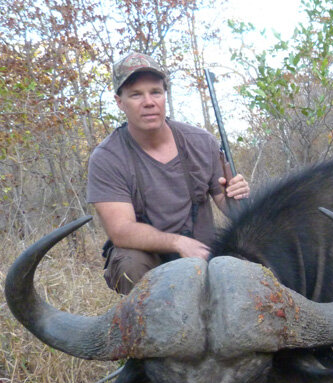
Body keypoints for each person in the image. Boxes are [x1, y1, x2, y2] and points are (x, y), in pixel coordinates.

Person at [87, 52, 250, 295]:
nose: (149, 102)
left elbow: (230, 207)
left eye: (155, 92)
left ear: (165, 96)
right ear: (119, 102)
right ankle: (148, 327)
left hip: (205, 252)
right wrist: (177, 242)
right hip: (152, 258)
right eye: (135, 95)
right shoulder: (107, 158)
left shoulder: (201, 142)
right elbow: (121, 230)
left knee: (252, 252)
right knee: (129, 265)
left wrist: (239, 196)